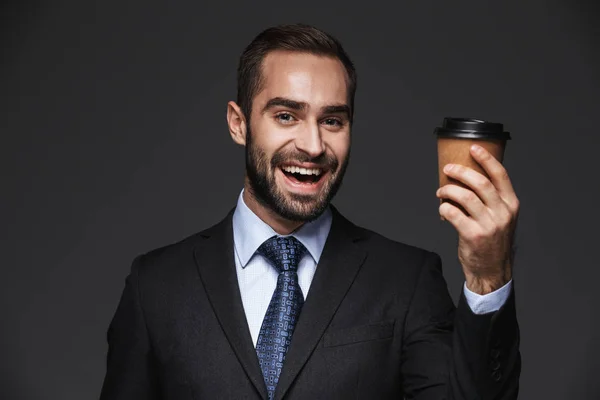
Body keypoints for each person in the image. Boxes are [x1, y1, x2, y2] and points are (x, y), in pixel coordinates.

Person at [99, 23, 521, 400]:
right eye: (286, 116)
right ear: (238, 123)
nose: (314, 145)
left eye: (333, 121)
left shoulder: (406, 281)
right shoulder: (154, 287)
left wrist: (489, 275)